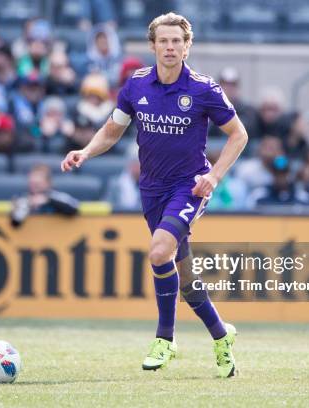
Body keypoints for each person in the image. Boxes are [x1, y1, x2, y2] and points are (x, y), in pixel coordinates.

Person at [61, 12, 248, 377]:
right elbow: (112, 131)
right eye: (163, 41)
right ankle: (221, 335)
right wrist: (84, 151)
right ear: (152, 46)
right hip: (151, 189)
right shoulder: (136, 85)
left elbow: (239, 135)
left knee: (159, 250)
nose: (170, 47)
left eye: (177, 41)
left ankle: (165, 339)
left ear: (186, 46)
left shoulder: (203, 88)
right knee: (183, 272)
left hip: (189, 186)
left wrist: (214, 175)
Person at [10, 163, 79, 227]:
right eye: (32, 184)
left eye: (38, 184)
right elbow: (15, 223)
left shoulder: (56, 196)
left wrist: (48, 200)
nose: (35, 188)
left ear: (48, 183)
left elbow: (74, 209)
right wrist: (23, 207)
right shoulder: (22, 198)